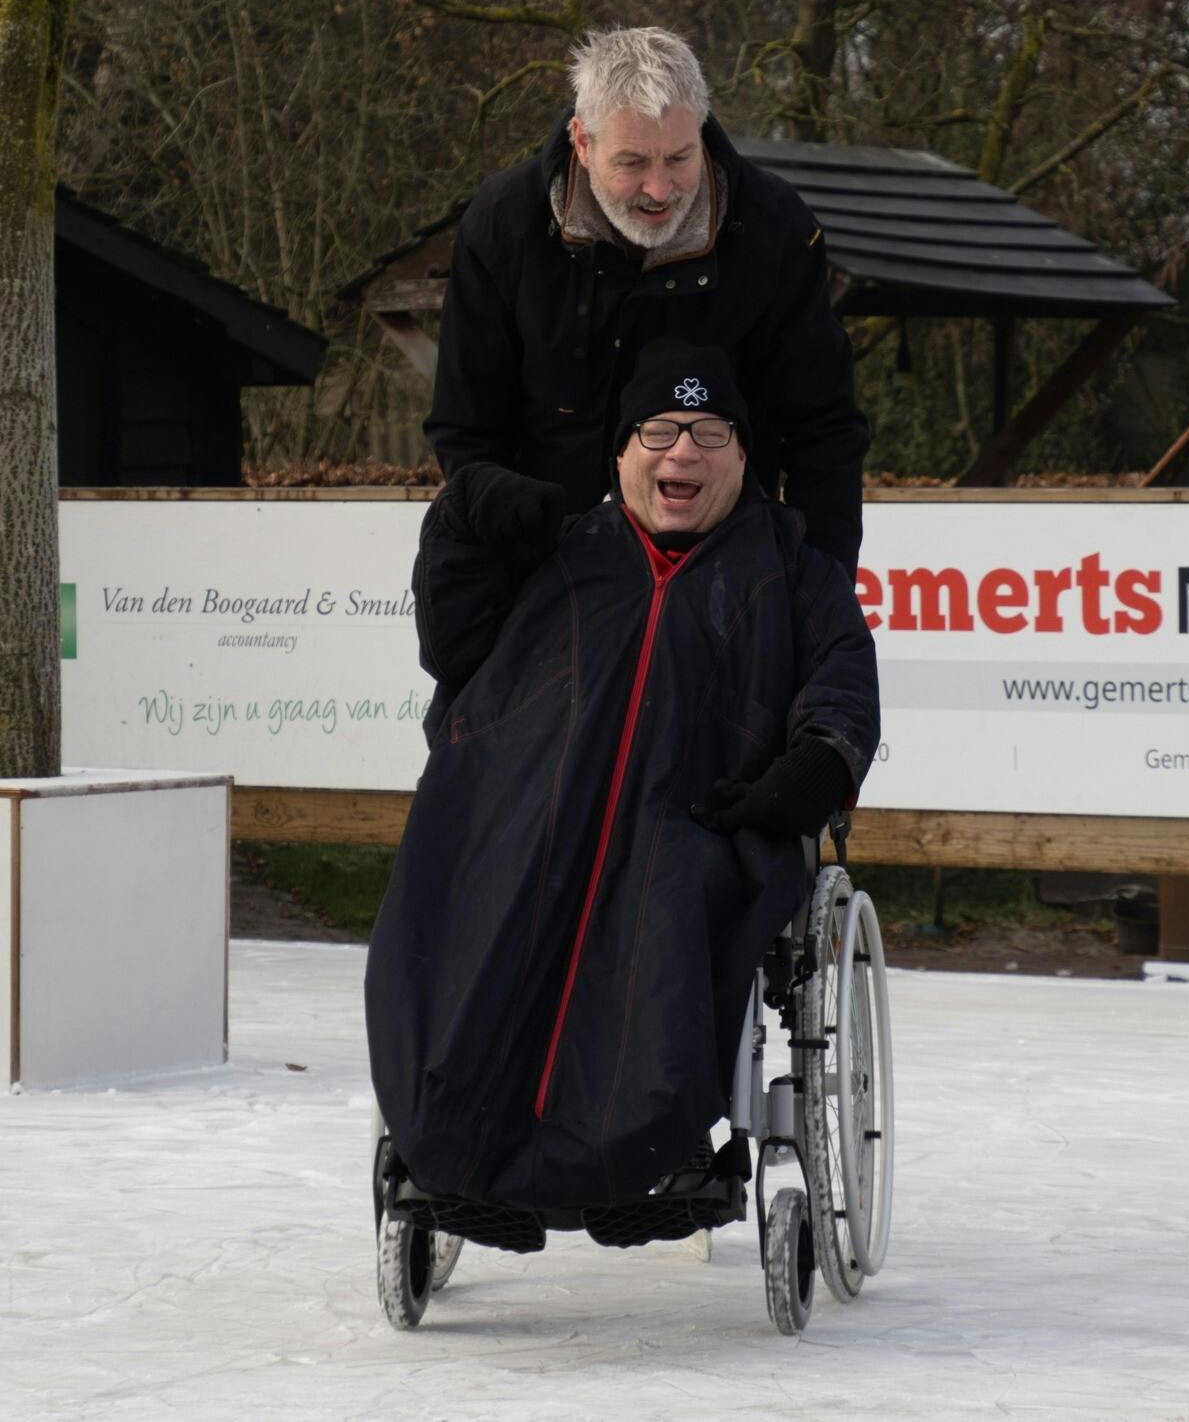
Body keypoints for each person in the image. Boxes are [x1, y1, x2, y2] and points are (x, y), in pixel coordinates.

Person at [367, 340, 879, 1225]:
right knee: (471, 901)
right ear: (619, 451)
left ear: (746, 455)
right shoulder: (557, 550)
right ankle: (445, 1134)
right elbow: (451, 650)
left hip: (700, 825)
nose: (683, 452)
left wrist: (816, 763)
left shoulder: (793, 570)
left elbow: (843, 680)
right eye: (659, 429)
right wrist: (459, 517)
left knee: (662, 917)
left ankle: (640, 1140)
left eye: (711, 431)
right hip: (519, 808)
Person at [424, 25, 869, 581]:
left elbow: (822, 431)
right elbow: (467, 429)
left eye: (679, 158)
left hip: (726, 580)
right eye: (633, 163)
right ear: (583, 143)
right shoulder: (505, 225)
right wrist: (513, 553)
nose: (659, 189)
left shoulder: (775, 229)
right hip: (544, 571)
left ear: (701, 132)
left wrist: (818, 592)